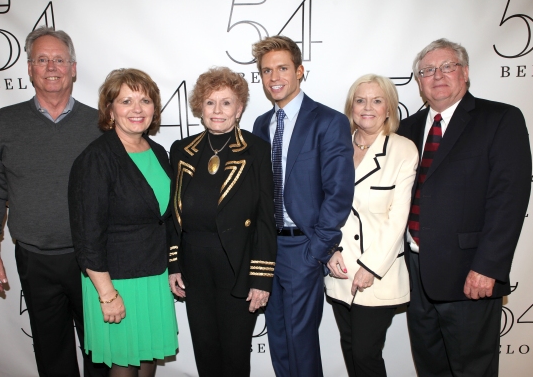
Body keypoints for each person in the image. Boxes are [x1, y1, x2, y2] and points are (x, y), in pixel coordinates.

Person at [0, 26, 107, 377]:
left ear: (73, 68)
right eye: (42, 59)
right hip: (35, 260)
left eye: (59, 60)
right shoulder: (3, 123)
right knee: (51, 352)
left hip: (93, 260)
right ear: (29, 68)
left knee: (103, 350)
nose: (52, 67)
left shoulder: (100, 124)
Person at [398, 38, 532, 376]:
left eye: (447, 67)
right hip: (415, 272)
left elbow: (508, 200)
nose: (437, 76)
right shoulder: (407, 129)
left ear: (466, 72)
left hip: (469, 274)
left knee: (472, 369)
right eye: (427, 70)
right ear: (419, 81)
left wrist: (488, 267)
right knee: (431, 367)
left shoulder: (500, 119)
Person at [252, 36, 354, 377]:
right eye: (266, 70)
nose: (274, 77)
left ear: (299, 71)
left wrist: (317, 250)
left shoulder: (328, 121)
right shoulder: (260, 125)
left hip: (304, 248)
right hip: (267, 247)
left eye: (282, 68)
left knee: (301, 340)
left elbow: (339, 192)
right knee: (278, 336)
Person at [68, 68, 178, 377]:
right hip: (115, 282)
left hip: (153, 277)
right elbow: (86, 235)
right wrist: (107, 294)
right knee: (124, 367)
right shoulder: (96, 159)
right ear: (110, 109)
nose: (137, 109)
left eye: (145, 100)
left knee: (146, 363)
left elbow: (163, 219)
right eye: (126, 100)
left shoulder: (158, 152)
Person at [168, 67, 276, 377]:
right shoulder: (182, 150)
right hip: (194, 267)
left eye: (226, 103)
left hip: (238, 267)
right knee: (205, 348)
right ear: (199, 107)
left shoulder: (255, 150)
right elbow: (172, 216)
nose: (218, 111)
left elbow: (265, 219)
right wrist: (174, 264)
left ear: (239, 108)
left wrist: (261, 279)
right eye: (210, 103)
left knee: (235, 352)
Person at [324, 74, 418, 377]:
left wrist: (372, 267)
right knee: (350, 347)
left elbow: (397, 219)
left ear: (389, 108)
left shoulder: (403, 149)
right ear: (351, 107)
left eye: (377, 100)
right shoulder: (335, 147)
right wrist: (329, 250)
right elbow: (322, 206)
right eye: (360, 100)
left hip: (379, 271)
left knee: (366, 354)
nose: (368, 107)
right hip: (339, 268)